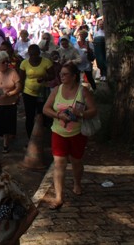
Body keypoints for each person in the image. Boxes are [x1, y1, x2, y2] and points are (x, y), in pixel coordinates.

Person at [42, 62, 97, 209]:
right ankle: (59, 197)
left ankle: (77, 183)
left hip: (77, 133)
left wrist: (80, 114)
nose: (62, 77)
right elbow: (46, 108)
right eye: (61, 74)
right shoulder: (56, 90)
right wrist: (58, 115)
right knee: (59, 163)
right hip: (58, 132)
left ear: (74, 76)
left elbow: (93, 110)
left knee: (76, 161)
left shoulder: (83, 91)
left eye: (65, 74)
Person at [18, 44, 55, 138]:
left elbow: (53, 75)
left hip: (42, 93)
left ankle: (43, 135)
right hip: (28, 93)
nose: (34, 57)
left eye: (36, 54)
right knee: (29, 116)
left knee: (42, 114)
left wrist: (44, 78)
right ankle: (30, 137)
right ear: (29, 54)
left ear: (39, 53)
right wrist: (20, 92)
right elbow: (21, 79)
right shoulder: (24, 63)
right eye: (31, 55)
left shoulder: (46, 62)